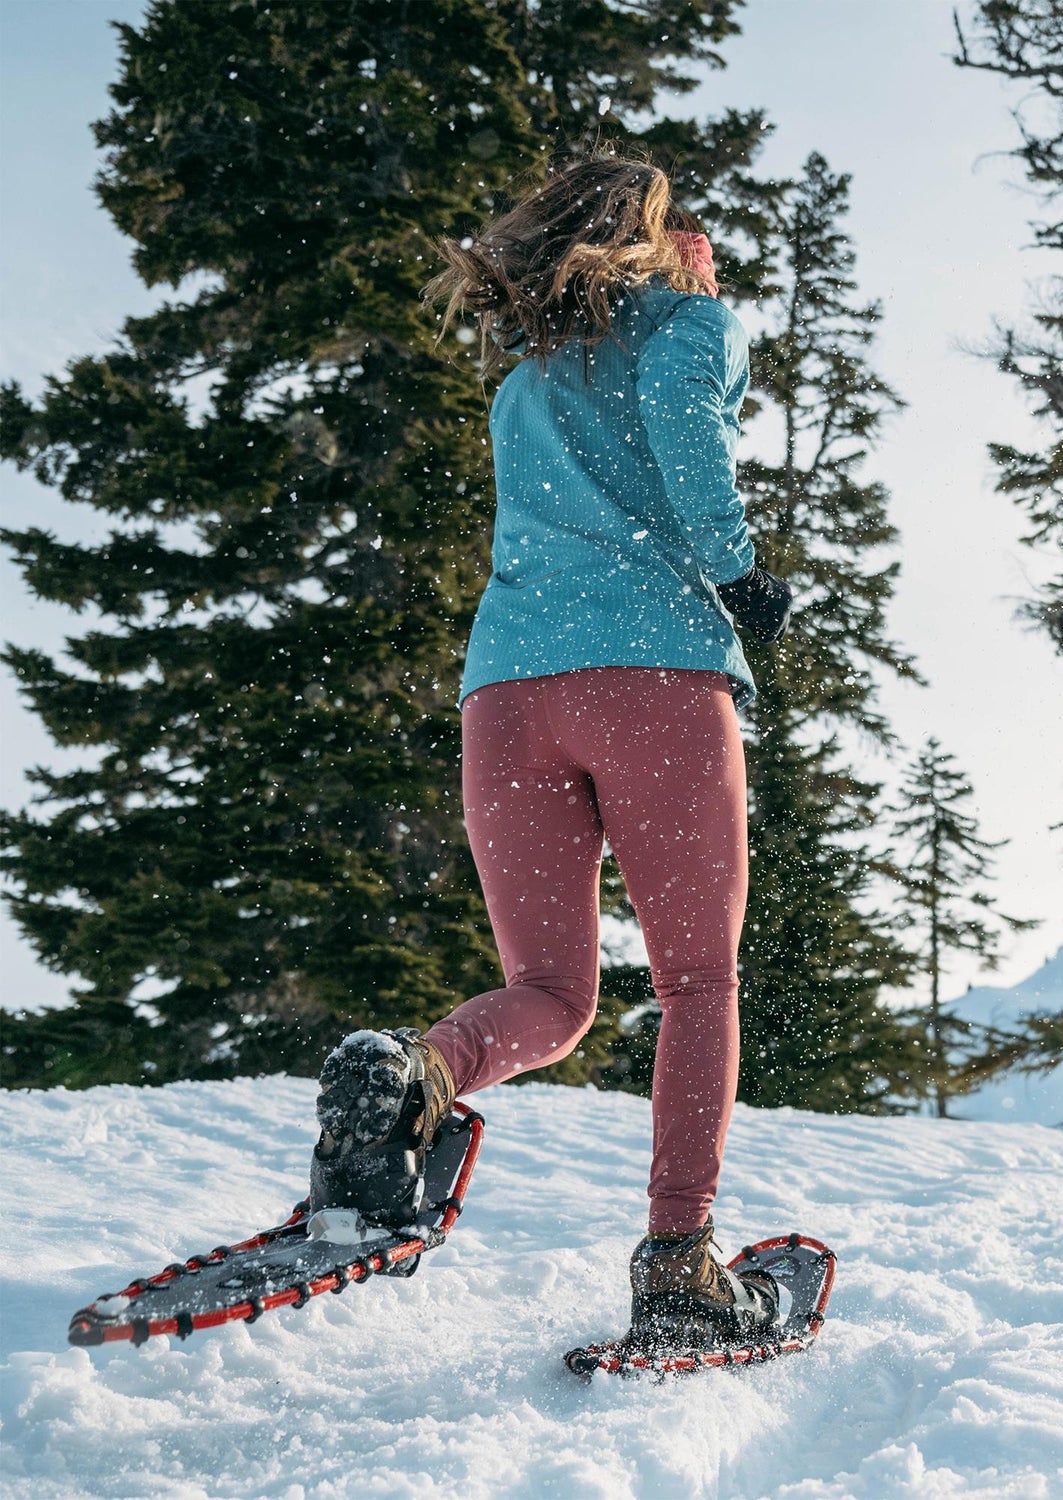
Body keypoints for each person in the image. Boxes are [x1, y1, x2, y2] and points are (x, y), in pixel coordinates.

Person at [305, 156, 793, 1351]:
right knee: (696, 984)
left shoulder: (525, 382)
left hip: (508, 693)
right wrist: (740, 576)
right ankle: (678, 1262)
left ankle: (415, 1077)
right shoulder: (689, 326)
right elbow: (686, 435)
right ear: (657, 239)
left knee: (552, 996)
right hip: (651, 678)